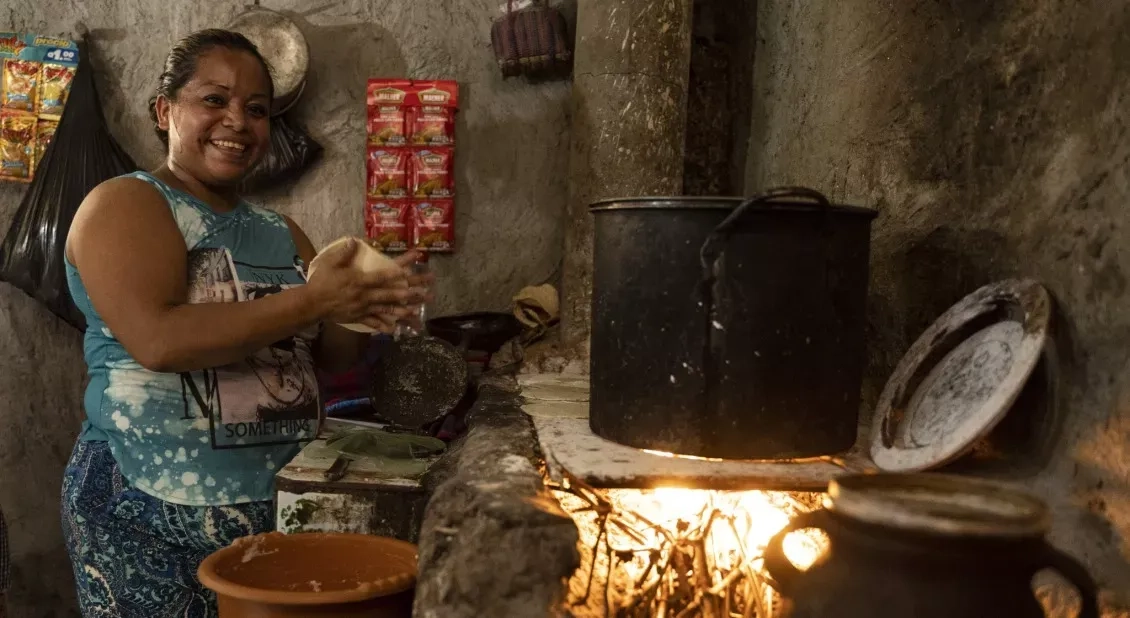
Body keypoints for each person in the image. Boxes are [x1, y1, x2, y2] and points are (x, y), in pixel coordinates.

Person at [60, 29, 430, 617]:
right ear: (165, 110)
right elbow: (159, 341)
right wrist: (313, 302)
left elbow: (330, 360)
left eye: (256, 109)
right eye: (214, 99)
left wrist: (363, 302)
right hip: (151, 508)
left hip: (273, 509)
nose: (237, 120)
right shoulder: (128, 203)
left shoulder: (282, 231)